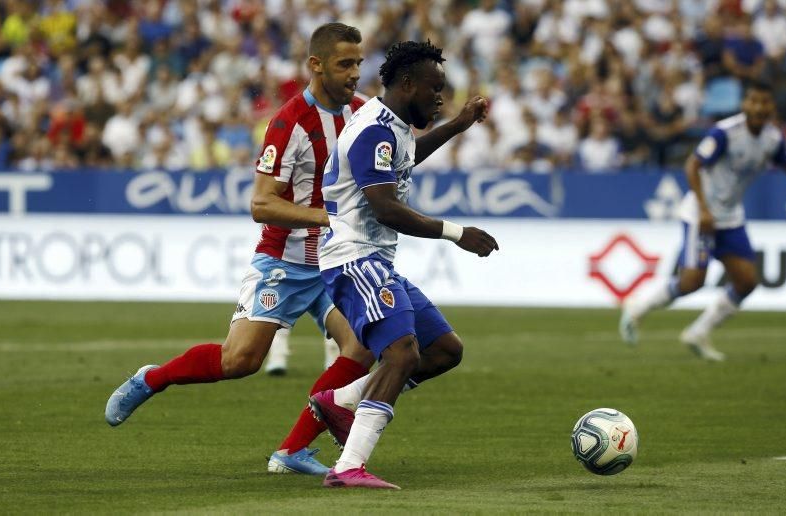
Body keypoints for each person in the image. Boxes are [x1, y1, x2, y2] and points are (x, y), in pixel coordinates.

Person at [104, 22, 376, 476]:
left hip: (333, 262)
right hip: (284, 261)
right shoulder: (289, 123)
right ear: (316, 65)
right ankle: (153, 377)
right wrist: (330, 217)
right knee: (241, 361)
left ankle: (291, 451)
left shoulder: (363, 113)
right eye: (345, 64)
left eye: (358, 64)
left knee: (361, 346)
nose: (354, 74)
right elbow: (261, 204)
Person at [309, 40, 499, 489]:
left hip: (375, 260)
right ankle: (348, 467)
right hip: (353, 258)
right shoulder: (374, 128)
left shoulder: (391, 127)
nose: (439, 97)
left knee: (444, 350)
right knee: (401, 354)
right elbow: (385, 208)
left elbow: (406, 158)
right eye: (435, 88)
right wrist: (457, 234)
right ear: (407, 83)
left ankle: (339, 401)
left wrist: (458, 125)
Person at [619, 80, 786, 361]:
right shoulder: (725, 133)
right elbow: (692, 165)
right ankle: (637, 308)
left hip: (731, 217)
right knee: (691, 281)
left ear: (772, 106)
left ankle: (698, 331)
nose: (759, 107)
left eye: (765, 102)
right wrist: (703, 210)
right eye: (754, 101)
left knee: (747, 282)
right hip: (700, 214)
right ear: (745, 104)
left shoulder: (773, 139)